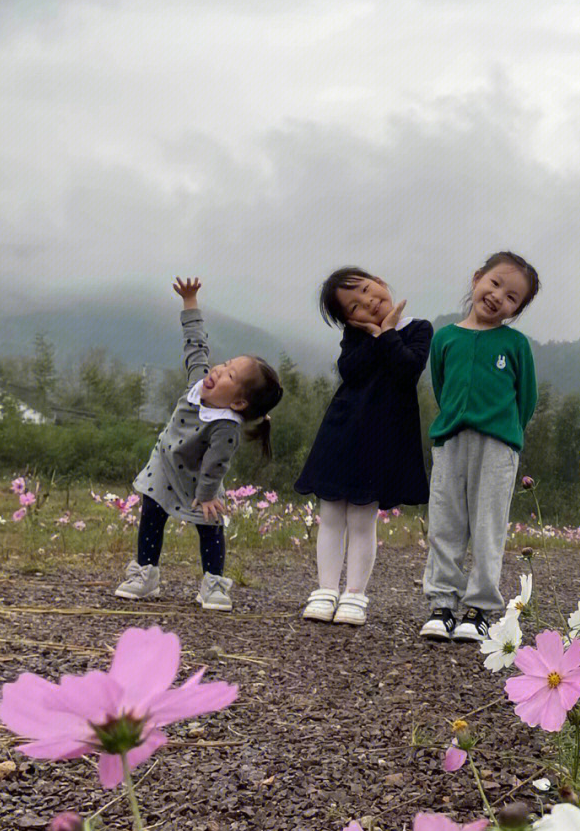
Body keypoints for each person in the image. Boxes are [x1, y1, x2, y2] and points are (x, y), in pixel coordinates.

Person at [115, 277, 283, 612]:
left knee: (210, 524)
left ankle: (213, 585)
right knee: (151, 513)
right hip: (164, 464)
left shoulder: (226, 427)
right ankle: (145, 573)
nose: (219, 371)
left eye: (230, 377)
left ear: (237, 404)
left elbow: (216, 464)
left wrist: (206, 495)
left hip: (201, 479)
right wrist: (190, 301)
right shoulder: (197, 381)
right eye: (225, 365)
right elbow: (195, 344)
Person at [295, 268, 432, 626]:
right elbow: (350, 371)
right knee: (330, 515)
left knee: (361, 519)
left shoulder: (418, 328)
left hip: (383, 439)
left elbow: (407, 369)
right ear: (347, 319)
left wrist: (386, 333)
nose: (369, 302)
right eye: (355, 306)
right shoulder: (355, 337)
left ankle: (355, 594)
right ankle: (325, 590)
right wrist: (371, 336)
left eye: (369, 290)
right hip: (341, 433)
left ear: (382, 283)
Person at [421, 251, 539, 644]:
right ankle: (442, 604)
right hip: (451, 441)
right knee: (445, 524)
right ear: (476, 279)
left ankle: (479, 609)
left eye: (512, 297)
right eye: (495, 283)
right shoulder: (445, 338)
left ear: (516, 310)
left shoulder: (515, 344)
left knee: (488, 527)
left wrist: (504, 432)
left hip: (498, 446)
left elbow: (527, 400)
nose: (498, 296)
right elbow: (441, 387)